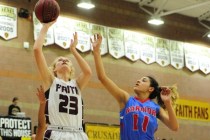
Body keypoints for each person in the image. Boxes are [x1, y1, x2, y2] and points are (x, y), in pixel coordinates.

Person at [91, 34, 179, 140]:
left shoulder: (156, 108)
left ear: (150, 89)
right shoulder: (126, 99)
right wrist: (96, 52)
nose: (138, 81)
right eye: (139, 79)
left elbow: (174, 127)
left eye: (143, 80)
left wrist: (168, 102)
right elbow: (102, 78)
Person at [33, 21, 92, 140]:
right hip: (56, 132)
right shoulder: (51, 81)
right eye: (60, 60)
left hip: (78, 133)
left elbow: (88, 72)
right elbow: (37, 50)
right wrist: (45, 27)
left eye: (67, 61)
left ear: (71, 69)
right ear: (54, 69)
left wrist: (73, 50)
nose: (64, 60)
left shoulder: (77, 84)